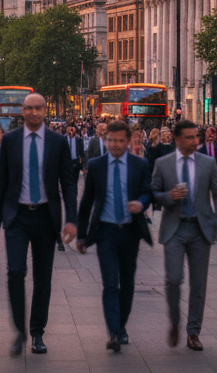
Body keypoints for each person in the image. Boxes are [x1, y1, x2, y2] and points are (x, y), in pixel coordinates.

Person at [0, 93, 78, 356]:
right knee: (15, 272)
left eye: (38, 108)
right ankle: (19, 331)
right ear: (22, 111)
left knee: (43, 278)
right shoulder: (11, 141)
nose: (34, 113)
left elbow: (69, 184)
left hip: (45, 217)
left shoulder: (58, 142)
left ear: (45, 110)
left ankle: (37, 332)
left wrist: (71, 220)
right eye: (29, 108)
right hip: (17, 216)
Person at [150, 119, 217, 351]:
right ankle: (174, 320)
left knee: (198, 284)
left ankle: (193, 332)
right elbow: (153, 193)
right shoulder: (163, 163)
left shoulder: (208, 162)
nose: (195, 141)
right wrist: (169, 196)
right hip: (175, 227)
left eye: (197, 137)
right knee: (173, 279)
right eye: (190, 137)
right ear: (177, 139)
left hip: (200, 229)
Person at [76, 120, 152, 351]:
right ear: (105, 140)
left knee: (127, 283)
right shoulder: (96, 165)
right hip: (105, 231)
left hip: (129, 231)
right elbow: (87, 202)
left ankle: (121, 325)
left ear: (128, 141)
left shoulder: (140, 164)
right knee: (110, 283)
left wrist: (140, 203)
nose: (115, 145)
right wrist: (82, 236)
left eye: (120, 141)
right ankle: (113, 332)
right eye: (111, 140)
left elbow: (148, 192)